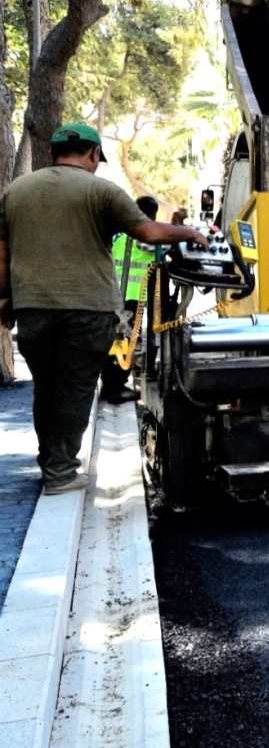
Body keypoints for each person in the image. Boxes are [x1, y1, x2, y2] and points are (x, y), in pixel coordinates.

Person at [0, 124, 207, 494]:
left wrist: (5, 299)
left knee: (46, 388)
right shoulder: (101, 190)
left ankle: (51, 463)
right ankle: (61, 474)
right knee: (75, 388)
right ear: (93, 154)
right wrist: (190, 233)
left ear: (52, 153)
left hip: (32, 307)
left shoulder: (16, 191)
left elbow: (2, 253)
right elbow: (148, 233)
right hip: (87, 308)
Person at [100, 195, 160, 404]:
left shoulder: (121, 232)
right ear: (149, 215)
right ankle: (114, 389)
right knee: (123, 342)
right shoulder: (141, 234)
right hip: (130, 297)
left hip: (115, 294)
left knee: (118, 340)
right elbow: (155, 245)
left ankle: (112, 385)